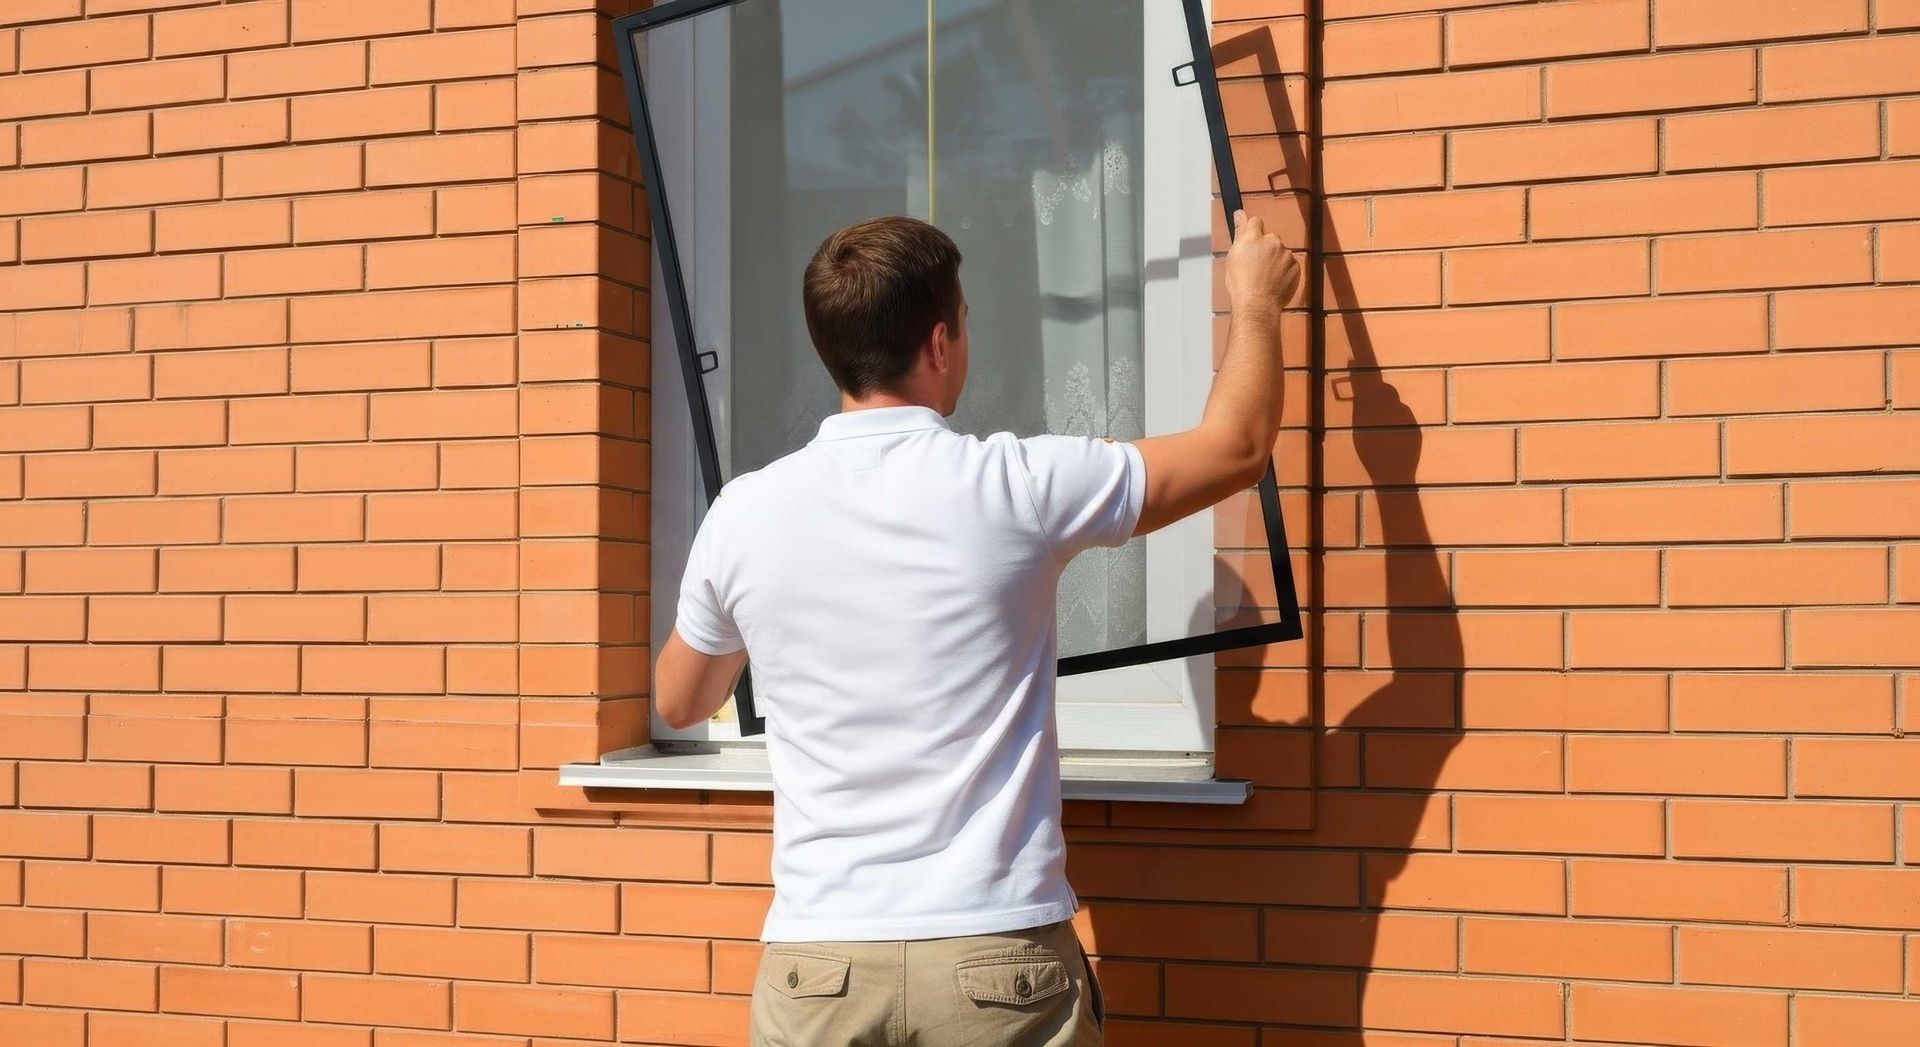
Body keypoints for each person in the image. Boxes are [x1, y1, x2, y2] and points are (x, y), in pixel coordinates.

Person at [652, 210, 1301, 1046]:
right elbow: (1238, 446)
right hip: (998, 959)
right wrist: (1254, 303)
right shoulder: (1019, 483)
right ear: (939, 343)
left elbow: (678, 700)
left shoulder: (743, 513)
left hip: (820, 967)